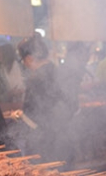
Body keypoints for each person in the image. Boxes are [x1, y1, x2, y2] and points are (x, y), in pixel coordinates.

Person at [15, 35, 72, 163]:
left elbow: (31, 116)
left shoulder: (36, 79)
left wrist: (19, 117)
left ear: (29, 58)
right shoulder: (59, 71)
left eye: (23, 60)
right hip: (64, 138)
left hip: (43, 142)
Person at [0, 35, 25, 106]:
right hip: (8, 106)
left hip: (24, 104)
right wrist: (10, 94)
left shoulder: (20, 65)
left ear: (7, 50)